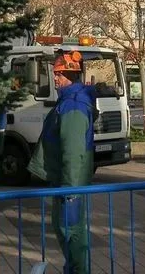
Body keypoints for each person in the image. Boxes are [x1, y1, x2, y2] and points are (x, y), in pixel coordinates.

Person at [30, 51, 96, 274]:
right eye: (55, 73)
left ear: (69, 75)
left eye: (58, 74)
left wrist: (70, 187)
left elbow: (73, 151)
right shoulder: (69, 101)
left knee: (70, 230)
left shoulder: (73, 105)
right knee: (67, 228)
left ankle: (78, 271)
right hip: (67, 182)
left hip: (69, 184)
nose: (55, 78)